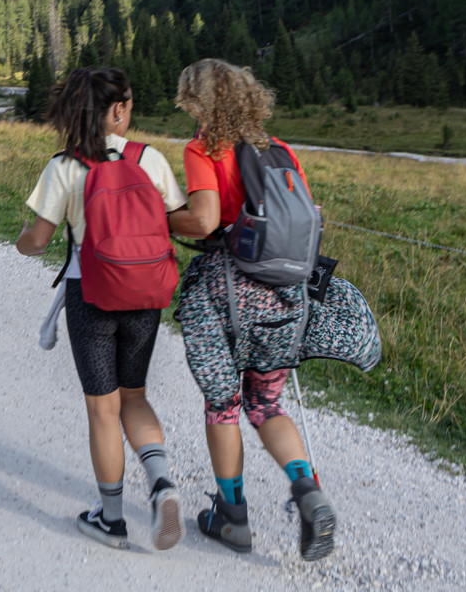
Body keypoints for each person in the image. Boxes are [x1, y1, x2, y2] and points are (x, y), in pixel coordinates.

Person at [167, 58, 337, 562]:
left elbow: (203, 220)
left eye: (190, 103)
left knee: (224, 404)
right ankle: (308, 490)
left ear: (201, 102)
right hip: (287, 294)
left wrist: (156, 216)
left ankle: (233, 515)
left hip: (229, 291)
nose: (189, 113)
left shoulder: (205, 149)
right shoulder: (280, 150)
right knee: (266, 404)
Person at [15, 67, 186, 551]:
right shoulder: (149, 160)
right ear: (116, 110)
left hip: (88, 294)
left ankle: (111, 519)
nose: (130, 111)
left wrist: (23, 239)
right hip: (144, 296)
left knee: (101, 409)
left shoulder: (64, 166)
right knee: (134, 396)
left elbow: (39, 240)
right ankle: (161, 482)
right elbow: (175, 220)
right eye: (128, 103)